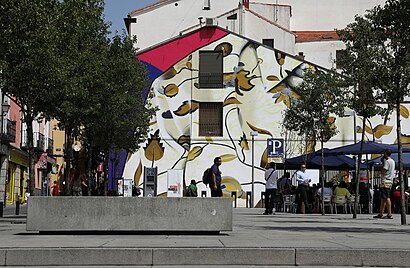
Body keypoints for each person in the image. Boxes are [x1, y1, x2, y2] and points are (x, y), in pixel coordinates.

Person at [374, 149, 394, 219]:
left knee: (386, 197)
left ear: (385, 154)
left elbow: (383, 171)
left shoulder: (387, 162)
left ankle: (389, 214)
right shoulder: (392, 161)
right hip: (390, 181)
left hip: (385, 181)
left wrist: (382, 166)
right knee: (383, 198)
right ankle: (381, 213)